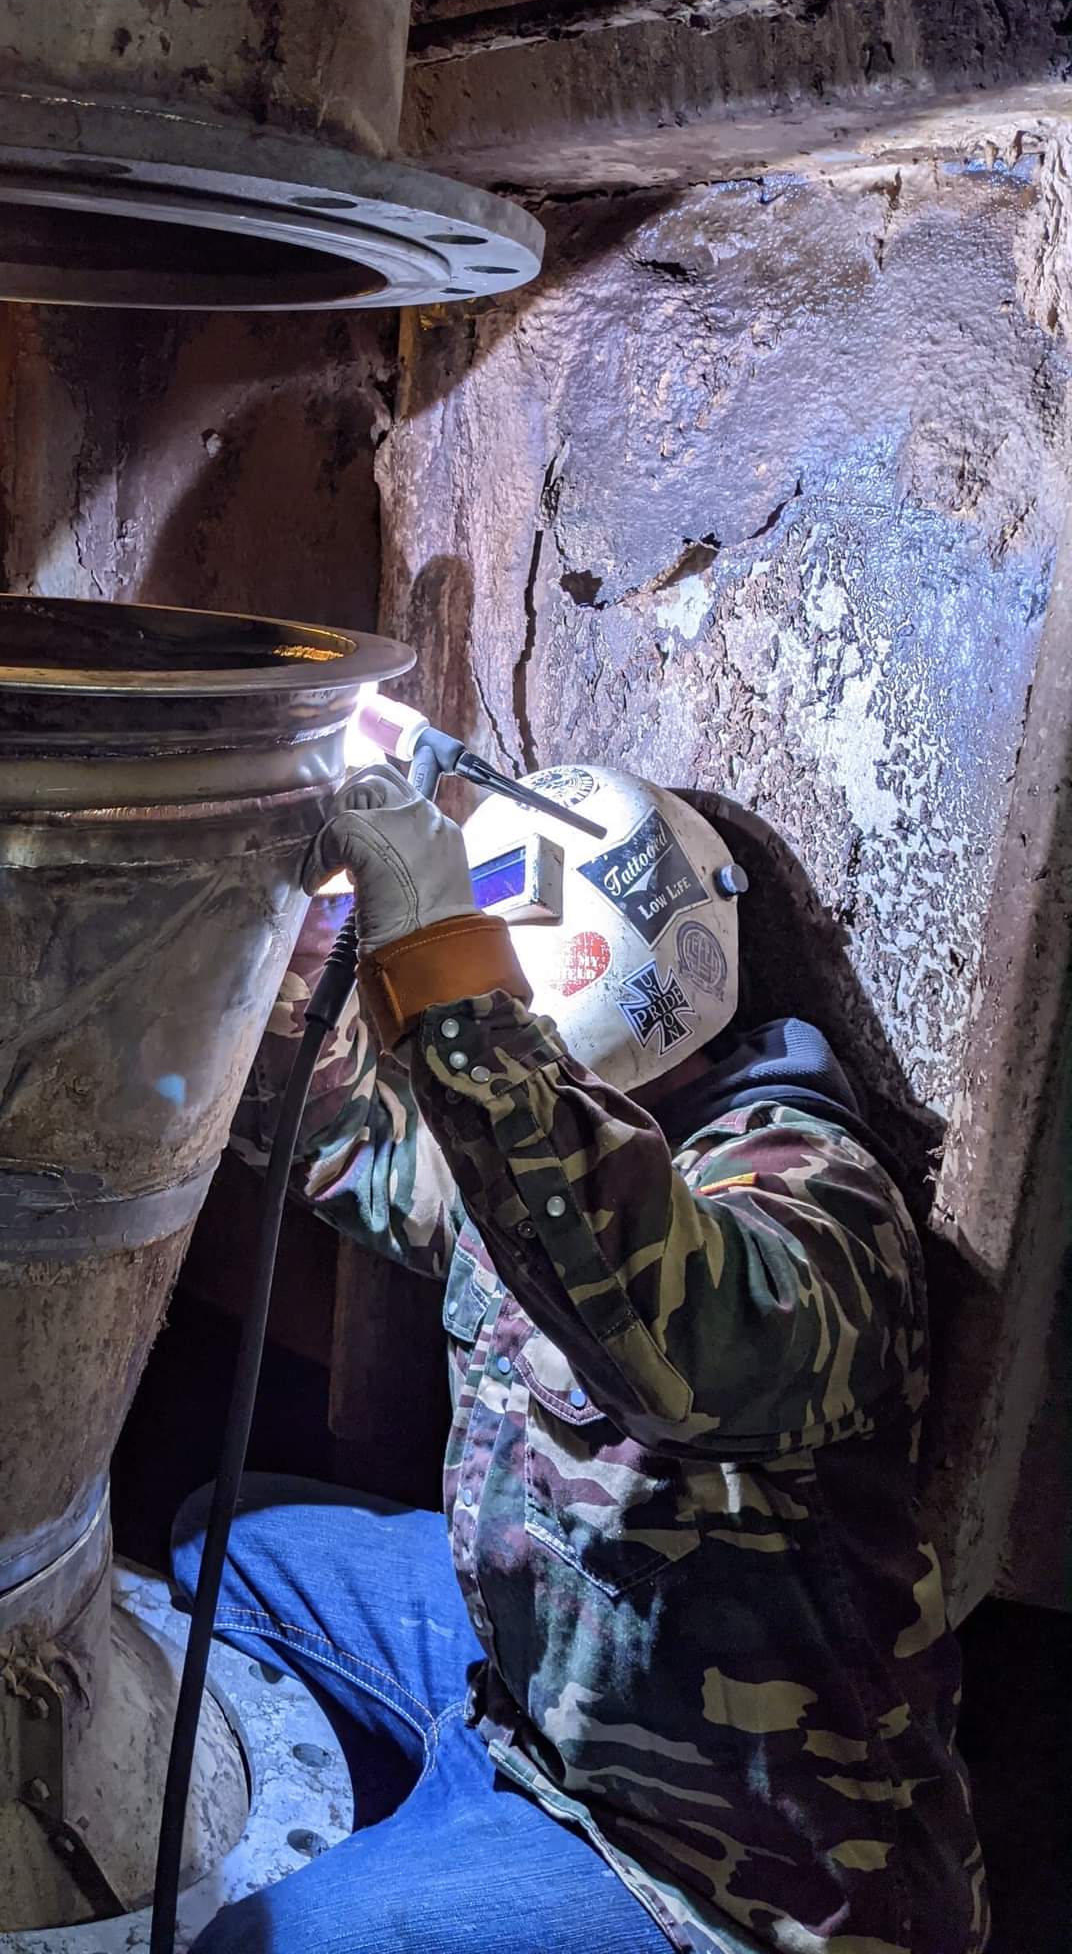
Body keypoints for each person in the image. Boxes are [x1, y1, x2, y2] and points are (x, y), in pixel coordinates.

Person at [172, 761, 987, 1954]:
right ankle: (431, 1852)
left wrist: (448, 969)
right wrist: (305, 941)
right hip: (539, 1697)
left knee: (256, 1949)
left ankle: (429, 1892)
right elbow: (360, 1136)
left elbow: (671, 1334)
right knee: (217, 1546)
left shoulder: (815, 1196)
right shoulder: (545, 1160)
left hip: (720, 1870)